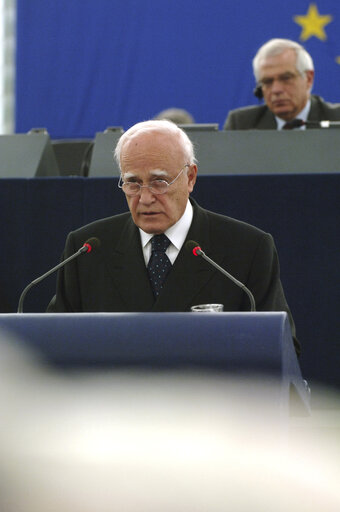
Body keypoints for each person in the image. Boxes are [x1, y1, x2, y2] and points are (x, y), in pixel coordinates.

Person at [47, 119, 299, 353]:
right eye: (132, 183)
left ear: (190, 178)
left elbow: (282, 348)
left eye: (159, 182)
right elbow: (52, 345)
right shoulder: (88, 249)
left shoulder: (247, 249)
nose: (145, 198)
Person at [224, 38, 340, 130]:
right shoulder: (241, 125)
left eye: (286, 78)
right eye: (267, 82)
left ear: (308, 79)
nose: (276, 90)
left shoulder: (336, 119)